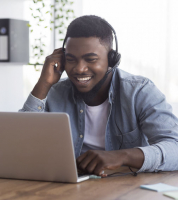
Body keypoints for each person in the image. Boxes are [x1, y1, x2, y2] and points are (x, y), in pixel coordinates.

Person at [19, 15, 178, 177]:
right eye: (71, 59)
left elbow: (175, 148)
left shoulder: (140, 91)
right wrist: (43, 83)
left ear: (112, 60)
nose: (79, 69)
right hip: (69, 186)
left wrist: (123, 156)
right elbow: (19, 146)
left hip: (124, 187)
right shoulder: (54, 93)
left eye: (91, 59)